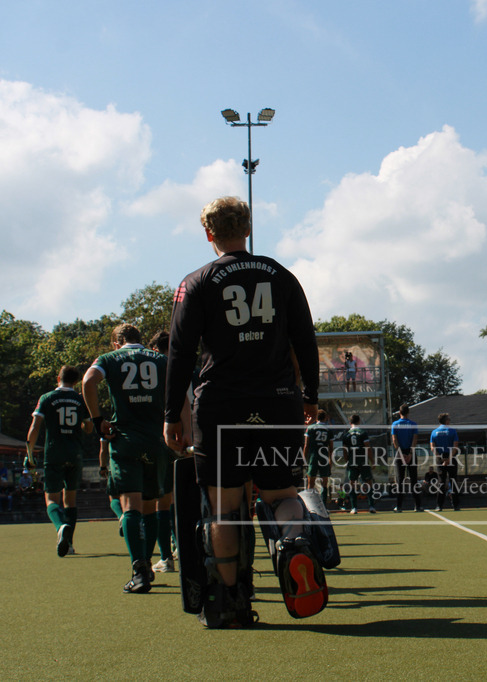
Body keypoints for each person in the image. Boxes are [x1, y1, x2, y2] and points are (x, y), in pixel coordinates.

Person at [163, 196, 321, 627]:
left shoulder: (195, 281)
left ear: (208, 232)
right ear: (248, 228)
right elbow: (305, 339)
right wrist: (310, 394)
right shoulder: (282, 275)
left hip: (221, 403)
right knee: (282, 494)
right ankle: (293, 545)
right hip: (277, 400)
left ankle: (229, 601)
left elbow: (179, 353)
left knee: (224, 506)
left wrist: (171, 414)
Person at [83, 323, 169, 594]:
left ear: (116, 342)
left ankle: (139, 570)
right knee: (151, 505)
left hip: (126, 440)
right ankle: (149, 561)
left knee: (130, 506)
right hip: (156, 440)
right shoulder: (161, 359)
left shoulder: (109, 359)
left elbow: (87, 381)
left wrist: (97, 420)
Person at [26, 365, 93, 557]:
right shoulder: (81, 400)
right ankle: (69, 544)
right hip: (75, 454)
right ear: (76, 382)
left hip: (54, 453)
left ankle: (60, 526)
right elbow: (89, 429)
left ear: (58, 378)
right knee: (70, 501)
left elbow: (35, 427)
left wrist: (29, 453)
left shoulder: (46, 398)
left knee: (51, 499)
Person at [148, 330, 178, 574]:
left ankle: (166, 557)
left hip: (165, 440)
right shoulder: (189, 367)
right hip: (196, 440)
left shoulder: (160, 370)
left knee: (162, 502)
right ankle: (185, 547)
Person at [390, 404, 422, 512]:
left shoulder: (395, 424)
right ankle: (417, 506)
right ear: (408, 413)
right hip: (410, 453)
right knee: (414, 480)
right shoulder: (413, 424)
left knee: (400, 480)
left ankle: (399, 506)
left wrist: (401, 453)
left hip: (400, 453)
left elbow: (394, 440)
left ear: (400, 413)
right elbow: (414, 440)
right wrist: (410, 454)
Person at [342, 414, 375, 515]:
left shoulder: (346, 434)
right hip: (363, 461)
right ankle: (371, 506)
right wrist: (372, 460)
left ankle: (354, 508)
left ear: (350, 422)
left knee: (352, 483)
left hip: (352, 461)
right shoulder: (363, 433)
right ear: (359, 421)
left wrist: (347, 459)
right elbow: (367, 448)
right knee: (368, 481)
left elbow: (344, 450)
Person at [429, 413, 460, 512]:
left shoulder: (434, 432)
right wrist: (449, 459)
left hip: (440, 458)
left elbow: (432, 448)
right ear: (446, 421)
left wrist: (441, 459)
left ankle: (439, 506)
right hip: (451, 458)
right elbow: (455, 447)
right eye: (449, 419)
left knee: (441, 482)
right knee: (453, 481)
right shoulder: (452, 431)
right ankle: (455, 505)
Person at [304, 410, 334, 506]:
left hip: (313, 456)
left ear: (316, 418)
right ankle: (323, 506)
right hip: (324, 457)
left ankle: (310, 506)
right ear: (325, 418)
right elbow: (331, 448)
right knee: (324, 483)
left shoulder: (310, 428)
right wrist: (331, 460)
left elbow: (306, 445)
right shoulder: (329, 430)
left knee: (310, 484)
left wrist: (304, 459)